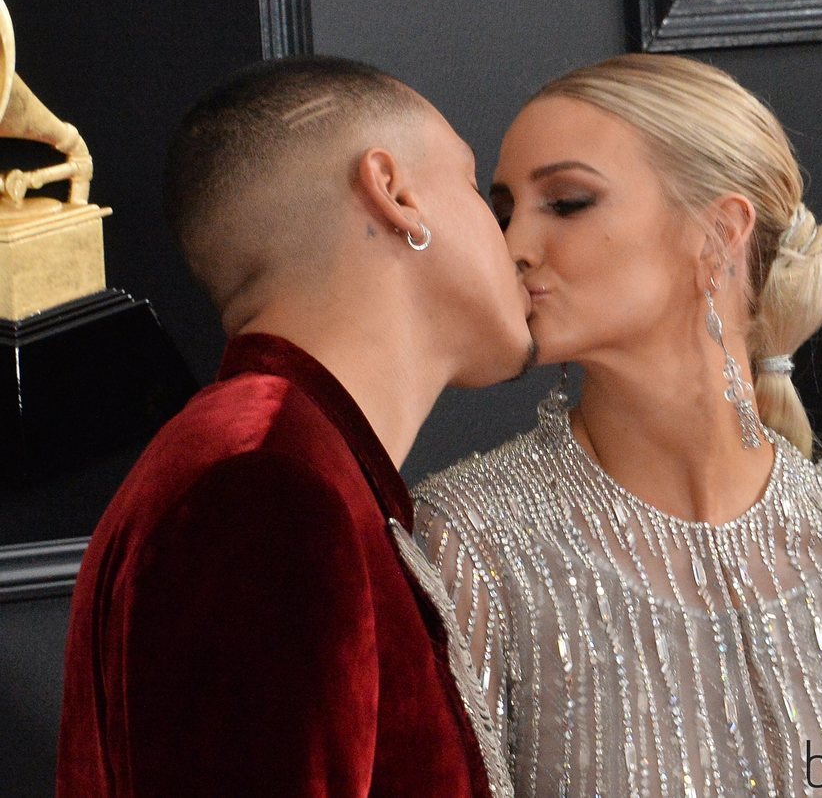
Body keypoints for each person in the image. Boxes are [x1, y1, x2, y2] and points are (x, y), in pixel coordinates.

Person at [413, 53, 822, 797]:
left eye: (568, 201)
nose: (514, 246)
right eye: (506, 209)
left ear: (718, 234)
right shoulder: (472, 544)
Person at [57, 55, 528, 797]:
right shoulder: (262, 487)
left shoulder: (277, 464)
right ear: (394, 192)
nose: (518, 244)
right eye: (473, 185)